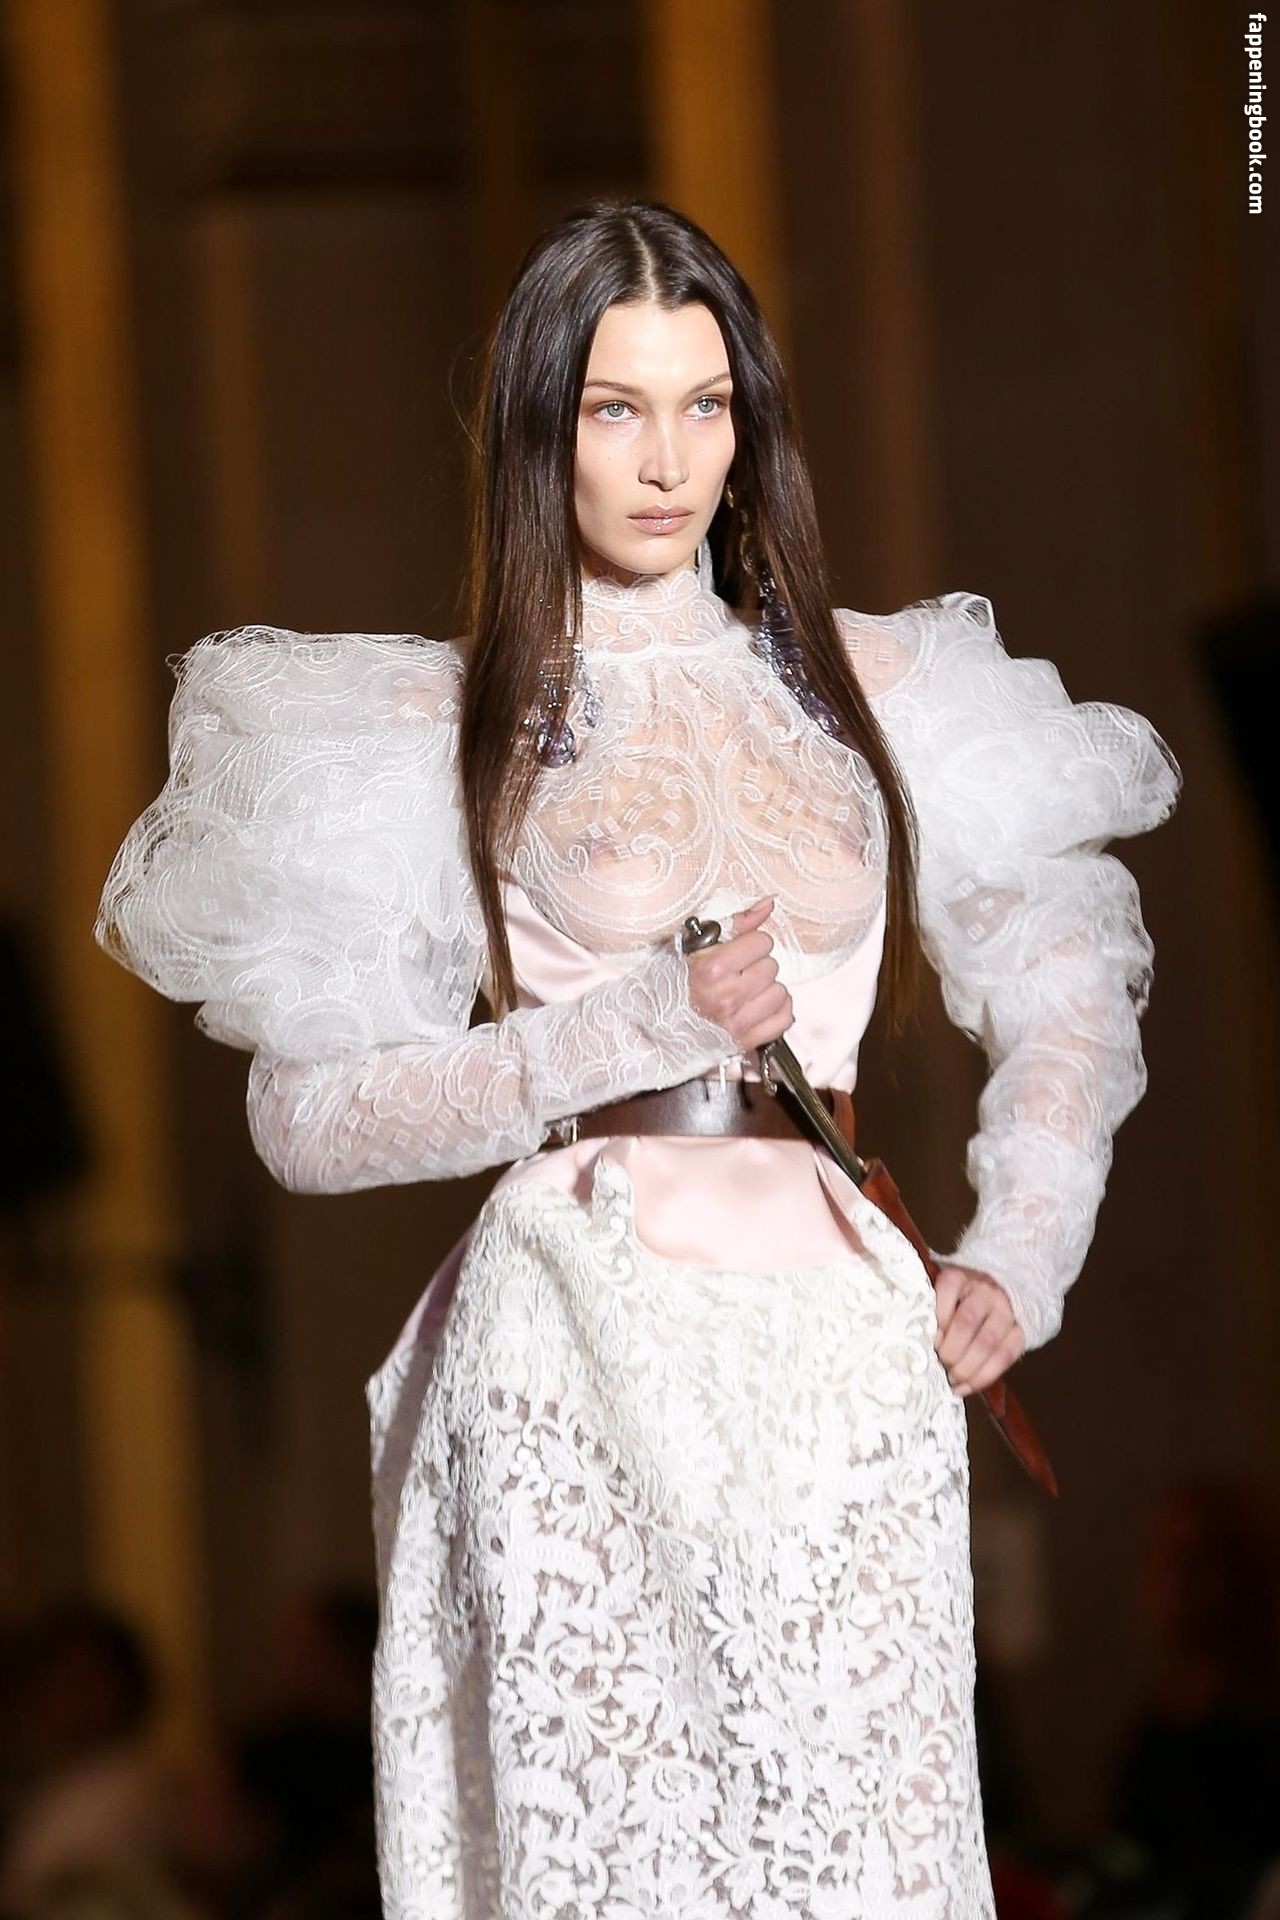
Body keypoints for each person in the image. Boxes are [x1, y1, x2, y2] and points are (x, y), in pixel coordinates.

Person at [93, 198, 1182, 1919]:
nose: (668, 459)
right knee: (617, 1861)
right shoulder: (446, 719)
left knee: (859, 1858)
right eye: (616, 408)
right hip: (577, 1331)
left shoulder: (877, 684)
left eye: (704, 405)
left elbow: (1071, 981)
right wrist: (614, 1034)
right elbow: (304, 1118)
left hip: (842, 1347)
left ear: (750, 427)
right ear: (545, 429)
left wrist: (1019, 1254)